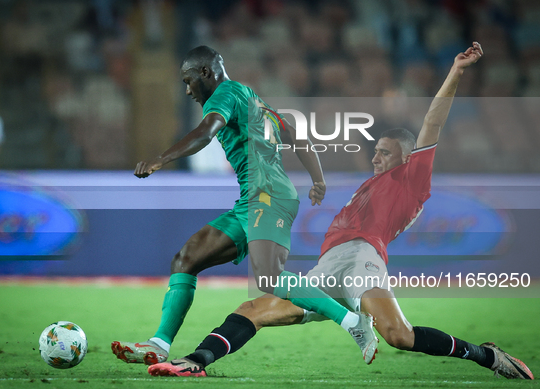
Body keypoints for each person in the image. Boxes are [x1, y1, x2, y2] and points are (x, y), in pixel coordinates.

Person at [148, 42, 532, 380]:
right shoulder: (370, 185)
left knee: (399, 335)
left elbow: (432, 120)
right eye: (375, 149)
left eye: (385, 151)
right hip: (329, 265)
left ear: (406, 156)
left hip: (362, 258)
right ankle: (195, 359)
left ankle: (486, 355)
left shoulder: (412, 180)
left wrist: (455, 71)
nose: (375, 156)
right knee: (255, 309)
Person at [112, 46, 378, 366]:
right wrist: (317, 180)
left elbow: (205, 132)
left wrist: (161, 158)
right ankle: (159, 344)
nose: (187, 90)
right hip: (252, 200)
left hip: (268, 195)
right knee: (186, 259)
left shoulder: (223, 95)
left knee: (268, 277)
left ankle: (354, 323)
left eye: (188, 80)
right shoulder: (251, 97)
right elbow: (294, 134)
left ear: (206, 74)